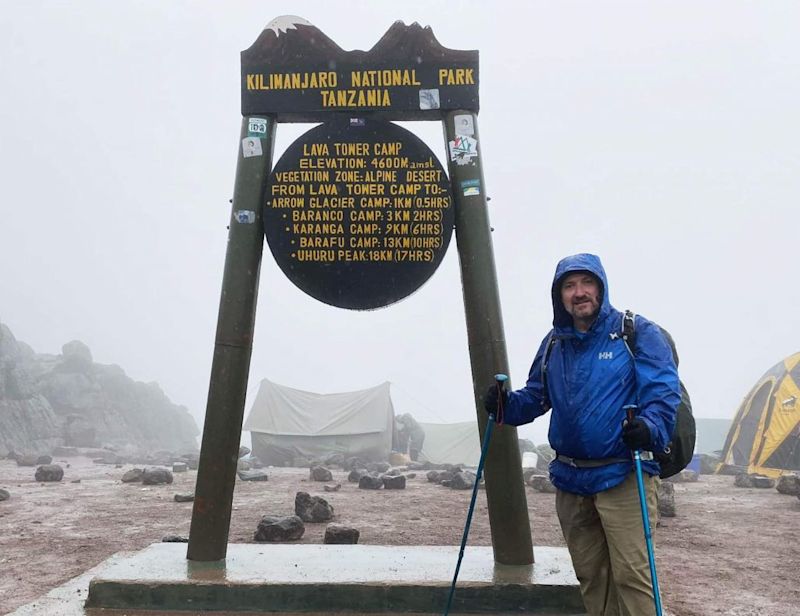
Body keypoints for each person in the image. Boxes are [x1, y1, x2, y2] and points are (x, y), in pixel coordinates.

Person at [484, 253, 680, 616]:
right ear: (559, 295)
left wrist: (650, 427)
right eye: (569, 286)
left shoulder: (635, 333)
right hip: (571, 482)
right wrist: (504, 406)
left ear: (601, 288)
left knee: (632, 578)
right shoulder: (554, 343)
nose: (579, 293)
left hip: (623, 474)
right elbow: (536, 397)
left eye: (586, 283)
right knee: (592, 577)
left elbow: (664, 394)